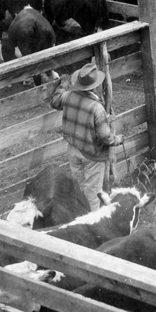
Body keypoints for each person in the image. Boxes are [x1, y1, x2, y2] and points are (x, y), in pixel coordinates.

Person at [49, 63, 124, 210]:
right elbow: (105, 137)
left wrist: (63, 84)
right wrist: (118, 140)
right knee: (93, 194)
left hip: (73, 149)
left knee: (79, 187)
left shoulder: (68, 96)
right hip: (91, 155)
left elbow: (54, 101)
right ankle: (91, 224)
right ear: (95, 86)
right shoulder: (97, 108)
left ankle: (79, 215)